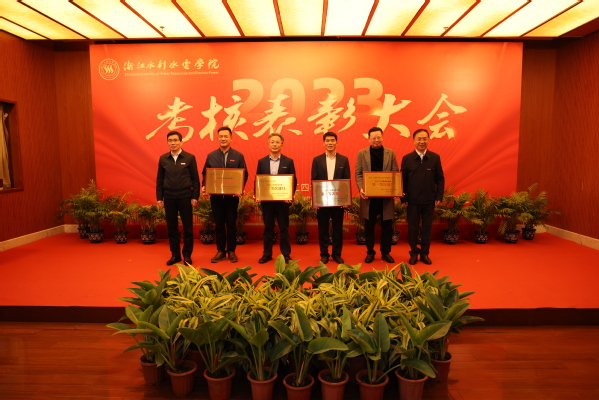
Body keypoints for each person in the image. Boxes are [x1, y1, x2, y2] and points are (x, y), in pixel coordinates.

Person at [201, 126, 248, 264]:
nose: (223, 138)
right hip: (216, 197)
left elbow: (244, 174)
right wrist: (205, 186)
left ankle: (231, 251)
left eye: (225, 136)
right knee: (219, 224)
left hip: (232, 197)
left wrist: (240, 188)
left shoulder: (238, 156)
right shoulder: (211, 156)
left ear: (231, 138)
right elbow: (205, 173)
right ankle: (220, 250)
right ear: (217, 138)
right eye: (220, 136)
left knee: (231, 224)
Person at [355, 127, 399, 264]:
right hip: (369, 197)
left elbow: (395, 173)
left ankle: (386, 253)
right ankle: (370, 252)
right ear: (368, 139)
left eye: (378, 137)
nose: (376, 140)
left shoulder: (390, 153)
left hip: (386, 197)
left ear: (382, 137)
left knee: (387, 226)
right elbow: (358, 173)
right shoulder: (362, 153)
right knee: (369, 226)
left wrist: (395, 190)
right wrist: (361, 188)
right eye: (373, 138)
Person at [401, 128, 445, 265]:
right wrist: (403, 198)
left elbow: (440, 179)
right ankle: (414, 253)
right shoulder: (407, 158)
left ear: (428, 140)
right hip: (412, 201)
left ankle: (425, 253)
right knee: (413, 228)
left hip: (429, 200)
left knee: (427, 228)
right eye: (419, 139)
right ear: (413, 140)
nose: (422, 141)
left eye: (424, 138)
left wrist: (438, 196)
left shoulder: (435, 157)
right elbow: (402, 180)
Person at [156, 131, 200, 266]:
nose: (173, 143)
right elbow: (160, 179)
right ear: (167, 142)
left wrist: (195, 196)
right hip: (169, 197)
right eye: (170, 140)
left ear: (181, 142)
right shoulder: (163, 159)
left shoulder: (189, 158)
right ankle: (175, 255)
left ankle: (187, 255)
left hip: (185, 196)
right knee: (172, 228)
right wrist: (159, 198)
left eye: (175, 140)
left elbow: (195, 179)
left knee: (188, 228)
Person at [256, 133, 296, 264]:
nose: (274, 144)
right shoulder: (262, 162)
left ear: (282, 144)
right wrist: (258, 194)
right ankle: (267, 254)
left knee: (284, 228)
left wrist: (290, 195)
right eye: (272, 142)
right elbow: (258, 180)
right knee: (268, 228)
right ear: (268, 144)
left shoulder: (288, 161)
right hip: (267, 201)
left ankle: (286, 254)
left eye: (277, 142)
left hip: (283, 201)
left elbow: (293, 180)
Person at [311, 132, 350, 264]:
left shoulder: (344, 160)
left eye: (332, 140)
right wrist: (316, 200)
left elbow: (346, 180)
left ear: (337, 142)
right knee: (323, 228)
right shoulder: (317, 160)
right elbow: (314, 180)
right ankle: (324, 254)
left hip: (338, 200)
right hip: (323, 201)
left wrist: (345, 199)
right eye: (327, 140)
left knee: (338, 228)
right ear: (323, 143)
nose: (330, 143)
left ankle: (337, 254)